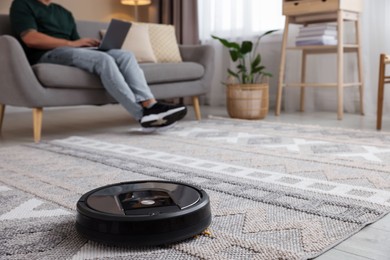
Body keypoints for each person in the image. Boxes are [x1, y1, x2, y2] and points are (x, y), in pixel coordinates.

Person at [9, 0, 187, 130]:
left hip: (72, 52)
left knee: (125, 55)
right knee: (105, 60)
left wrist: (87, 44)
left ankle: (150, 104)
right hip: (47, 54)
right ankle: (141, 115)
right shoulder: (23, 4)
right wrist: (72, 44)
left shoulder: (63, 12)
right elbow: (30, 39)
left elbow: (75, 42)